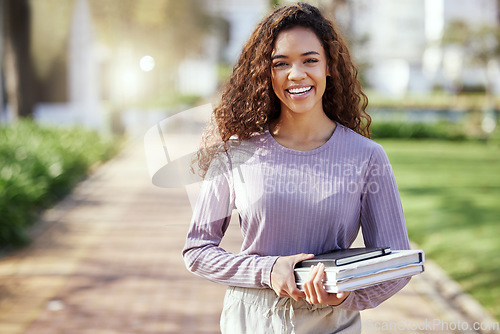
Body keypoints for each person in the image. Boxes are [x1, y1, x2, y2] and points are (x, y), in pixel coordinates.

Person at [182, 2, 411, 333]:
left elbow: (397, 266)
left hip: (331, 323)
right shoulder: (235, 151)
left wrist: (344, 296)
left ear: (329, 66)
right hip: (252, 321)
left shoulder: (367, 157)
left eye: (310, 60)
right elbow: (197, 251)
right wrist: (267, 270)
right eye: (281, 63)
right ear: (266, 72)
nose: (296, 74)